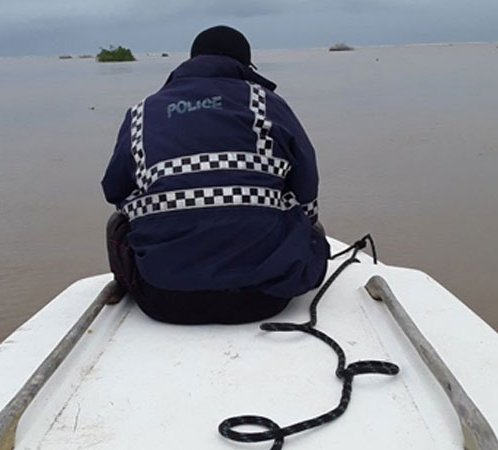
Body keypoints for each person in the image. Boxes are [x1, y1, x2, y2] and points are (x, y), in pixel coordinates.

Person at [101, 25, 329, 325]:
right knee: (310, 224)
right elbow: (306, 181)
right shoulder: (266, 103)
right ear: (246, 66)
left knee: (117, 222)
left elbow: (114, 190)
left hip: (162, 299)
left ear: (191, 61)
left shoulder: (141, 113)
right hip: (267, 297)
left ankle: (133, 280)